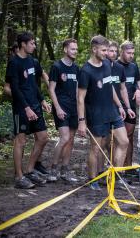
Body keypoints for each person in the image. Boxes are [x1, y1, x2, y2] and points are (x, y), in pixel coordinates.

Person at [77, 35, 129, 191]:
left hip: (112, 111)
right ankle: (93, 179)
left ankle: (115, 176)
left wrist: (119, 106)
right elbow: (80, 98)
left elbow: (110, 87)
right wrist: (81, 121)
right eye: (104, 50)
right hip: (96, 114)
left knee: (124, 141)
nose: (107, 53)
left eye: (108, 50)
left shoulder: (107, 64)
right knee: (96, 148)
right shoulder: (86, 70)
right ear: (94, 49)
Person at [6, 31, 52, 189]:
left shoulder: (33, 61)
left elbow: (34, 85)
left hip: (35, 105)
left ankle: (30, 170)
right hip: (21, 107)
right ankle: (19, 177)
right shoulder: (14, 62)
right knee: (21, 141)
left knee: (43, 137)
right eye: (31, 43)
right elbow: (15, 89)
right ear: (23, 44)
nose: (34, 46)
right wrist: (26, 108)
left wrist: (42, 100)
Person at [47, 38, 80, 183]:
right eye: (73, 49)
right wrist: (58, 108)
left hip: (74, 108)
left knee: (71, 140)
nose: (75, 52)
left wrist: (80, 109)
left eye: (76, 49)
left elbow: (79, 90)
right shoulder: (57, 67)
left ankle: (65, 170)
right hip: (61, 108)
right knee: (64, 138)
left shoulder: (76, 68)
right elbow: (51, 89)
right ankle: (53, 168)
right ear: (65, 49)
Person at [118, 41, 140, 168]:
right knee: (119, 139)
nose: (131, 56)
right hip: (117, 107)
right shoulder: (114, 66)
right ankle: (117, 167)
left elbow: (138, 83)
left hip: (131, 106)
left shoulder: (133, 66)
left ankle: (128, 166)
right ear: (122, 52)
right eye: (128, 53)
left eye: (133, 53)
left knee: (129, 136)